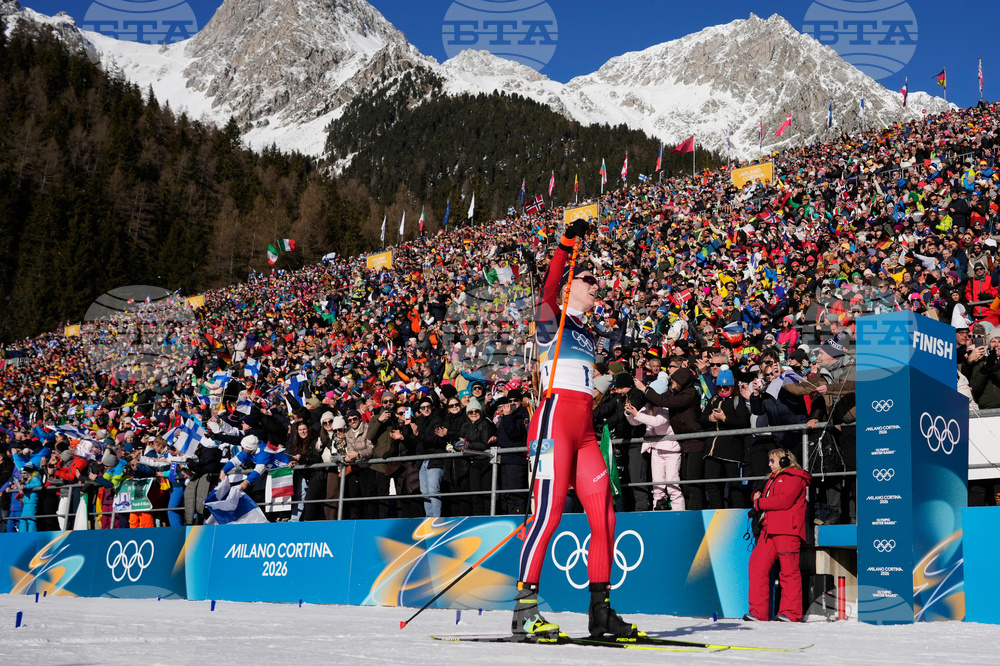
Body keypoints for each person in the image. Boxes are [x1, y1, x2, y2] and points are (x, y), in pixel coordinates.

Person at [513, 218, 639, 640]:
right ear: (570, 288)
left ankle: (600, 613)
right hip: (553, 422)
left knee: (604, 515)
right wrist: (567, 243)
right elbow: (549, 286)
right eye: (588, 279)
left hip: (584, 428)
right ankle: (524, 611)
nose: (596, 284)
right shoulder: (552, 317)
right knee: (547, 515)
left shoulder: (587, 331)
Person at [745, 448, 812, 623]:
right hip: (768, 530)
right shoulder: (772, 479)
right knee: (756, 567)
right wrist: (757, 497)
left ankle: (790, 613)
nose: (769, 464)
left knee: (789, 572)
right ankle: (758, 612)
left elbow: (784, 500)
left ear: (784, 461)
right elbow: (765, 496)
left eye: (772, 461)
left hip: (787, 530)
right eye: (769, 461)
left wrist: (759, 503)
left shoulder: (795, 477)